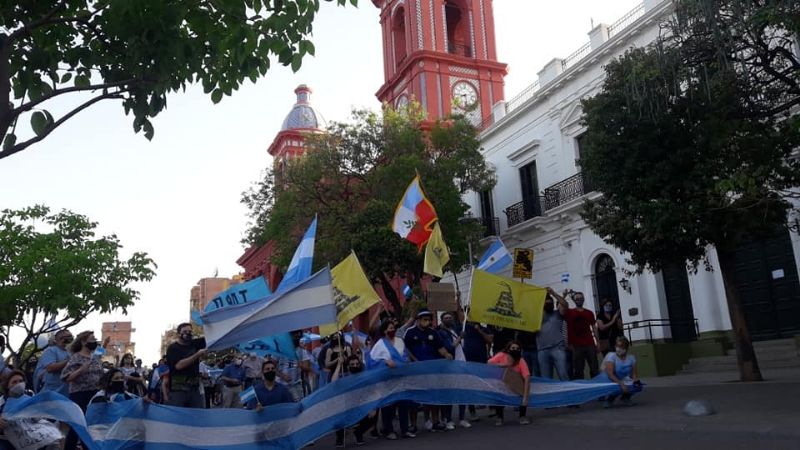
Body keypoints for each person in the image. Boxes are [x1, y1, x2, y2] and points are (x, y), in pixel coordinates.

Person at [403, 309, 452, 433]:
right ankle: (413, 425)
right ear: (418, 320)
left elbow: (440, 348)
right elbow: (405, 349)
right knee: (415, 398)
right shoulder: (410, 332)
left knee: (433, 395)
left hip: (431, 370)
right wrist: (414, 360)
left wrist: (447, 355)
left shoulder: (433, 333)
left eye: (429, 320)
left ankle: (435, 422)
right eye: (425, 320)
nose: (427, 322)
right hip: (415, 370)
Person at [61, 331, 106, 450]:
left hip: (94, 395)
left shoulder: (95, 359)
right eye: (92, 339)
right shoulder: (76, 357)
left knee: (91, 426)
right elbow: (66, 377)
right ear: (83, 342)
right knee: (77, 426)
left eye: (95, 339)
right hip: (79, 395)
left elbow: (101, 376)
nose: (94, 341)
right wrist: (81, 369)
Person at [370, 319, 414, 440]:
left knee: (403, 405)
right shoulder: (379, 345)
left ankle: (405, 430)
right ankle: (389, 430)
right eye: (389, 328)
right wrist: (385, 362)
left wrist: (404, 364)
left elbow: (405, 356)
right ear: (384, 331)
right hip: (387, 381)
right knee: (388, 406)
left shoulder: (400, 341)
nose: (392, 330)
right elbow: (372, 362)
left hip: (401, 378)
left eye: (393, 328)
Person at [332, 355, 377, 447]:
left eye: (357, 364)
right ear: (348, 366)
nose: (355, 366)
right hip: (345, 409)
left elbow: (374, 392)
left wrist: (373, 408)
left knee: (375, 413)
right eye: (352, 364)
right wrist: (339, 365)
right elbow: (333, 382)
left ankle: (358, 433)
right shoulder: (344, 376)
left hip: (360, 407)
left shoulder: (363, 377)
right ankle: (340, 438)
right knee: (337, 414)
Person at [488, 341, 531, 425]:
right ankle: (499, 417)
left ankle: (522, 416)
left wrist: (525, 397)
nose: (515, 350)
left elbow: (527, 378)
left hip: (515, 387)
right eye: (513, 348)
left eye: (517, 349)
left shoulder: (521, 360)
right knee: (499, 391)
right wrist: (504, 365)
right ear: (508, 349)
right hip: (501, 385)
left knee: (523, 394)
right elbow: (489, 363)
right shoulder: (501, 355)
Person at [165, 323, 206, 408]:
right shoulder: (172, 348)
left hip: (194, 390)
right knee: (178, 417)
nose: (188, 333)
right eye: (185, 331)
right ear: (179, 333)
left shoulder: (195, 344)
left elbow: (213, 338)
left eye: (190, 331)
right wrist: (196, 355)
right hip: (178, 391)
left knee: (197, 415)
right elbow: (178, 366)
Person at [437, 311, 466, 429]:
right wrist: (460, 337)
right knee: (449, 393)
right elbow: (450, 347)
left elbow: (461, 316)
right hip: (450, 366)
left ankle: (462, 418)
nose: (449, 319)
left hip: (461, 364)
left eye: (450, 317)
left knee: (462, 392)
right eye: (446, 318)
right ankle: (448, 419)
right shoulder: (442, 333)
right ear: (442, 320)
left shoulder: (456, 329)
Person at [461, 315, 493, 422]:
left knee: (485, 383)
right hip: (468, 360)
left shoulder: (484, 328)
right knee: (470, 384)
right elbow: (458, 313)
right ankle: (472, 410)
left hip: (481, 360)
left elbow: (489, 340)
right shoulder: (464, 327)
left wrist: (479, 331)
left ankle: (491, 406)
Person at [563, 291, 599, 379]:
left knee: (594, 368)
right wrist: (563, 296)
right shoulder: (569, 312)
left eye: (581, 298)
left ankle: (596, 385)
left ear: (583, 300)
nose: (579, 300)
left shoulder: (589, 313)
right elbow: (561, 306)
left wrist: (598, 342)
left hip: (589, 343)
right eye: (577, 299)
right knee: (578, 370)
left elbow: (594, 327)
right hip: (576, 346)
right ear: (574, 300)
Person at [536, 289, 570, 380]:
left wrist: (553, 293)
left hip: (558, 348)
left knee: (563, 374)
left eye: (550, 303)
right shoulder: (537, 317)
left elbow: (565, 305)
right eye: (546, 303)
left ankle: (568, 392)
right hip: (542, 350)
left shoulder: (558, 313)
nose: (549, 305)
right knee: (546, 378)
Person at [601, 337, 640, 408]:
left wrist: (635, 381)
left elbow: (634, 374)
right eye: (617, 346)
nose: (618, 349)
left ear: (626, 348)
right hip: (612, 380)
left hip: (624, 379)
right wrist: (621, 384)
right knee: (617, 387)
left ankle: (625, 398)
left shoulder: (631, 358)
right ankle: (609, 400)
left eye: (621, 347)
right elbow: (610, 374)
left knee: (638, 386)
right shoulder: (612, 357)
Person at [277, 330, 313, 401]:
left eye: (298, 336)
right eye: (294, 336)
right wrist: (282, 376)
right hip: (282, 385)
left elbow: (309, 368)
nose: (296, 338)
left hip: (296, 385)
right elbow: (271, 367)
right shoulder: (280, 349)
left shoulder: (302, 351)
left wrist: (301, 366)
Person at [34, 329, 73, 396]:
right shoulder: (50, 351)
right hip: (53, 393)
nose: (70, 338)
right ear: (59, 339)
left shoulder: (71, 351)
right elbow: (50, 368)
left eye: (71, 336)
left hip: (68, 393)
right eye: (67, 336)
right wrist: (69, 360)